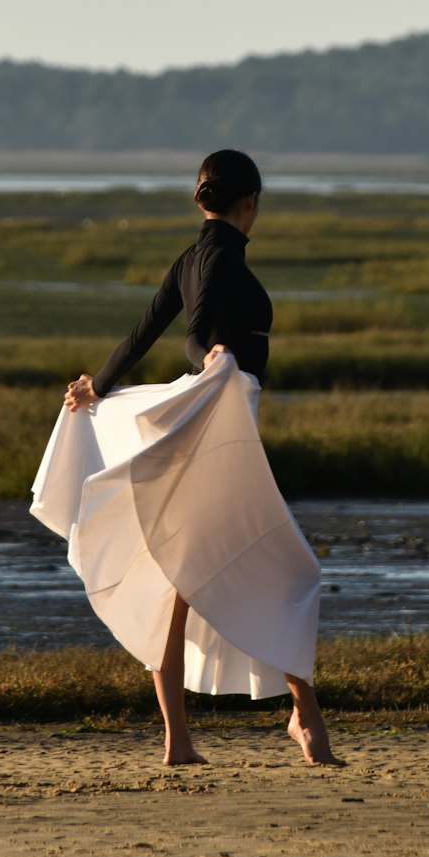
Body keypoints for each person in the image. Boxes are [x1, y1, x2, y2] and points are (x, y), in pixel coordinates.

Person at [62, 149, 343, 769]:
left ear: (201, 199)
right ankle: (305, 720)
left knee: (186, 583)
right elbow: (192, 332)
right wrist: (211, 356)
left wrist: (99, 386)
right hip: (217, 438)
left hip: (222, 429)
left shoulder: (193, 257)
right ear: (251, 205)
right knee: (284, 571)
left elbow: (143, 331)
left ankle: (183, 741)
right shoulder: (219, 260)